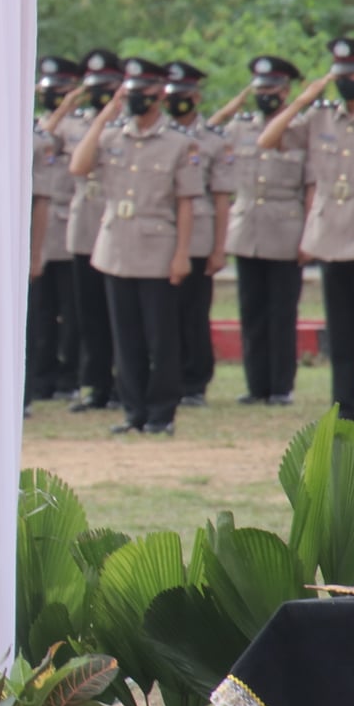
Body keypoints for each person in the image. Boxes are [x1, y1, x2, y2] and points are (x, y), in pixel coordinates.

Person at [261, 38, 354, 429]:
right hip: (331, 237)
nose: (344, 83)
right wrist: (302, 101)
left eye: (351, 75)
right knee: (339, 334)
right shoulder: (320, 117)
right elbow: (268, 140)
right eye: (338, 76)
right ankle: (346, 412)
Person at [69, 58, 203, 437]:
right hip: (115, 246)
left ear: (158, 94)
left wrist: (182, 254)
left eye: (140, 93)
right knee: (125, 337)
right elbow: (79, 167)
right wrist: (103, 117)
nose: (133, 101)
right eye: (128, 94)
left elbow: (186, 202)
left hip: (158, 249)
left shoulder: (180, 143)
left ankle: (162, 413)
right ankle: (134, 412)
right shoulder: (112, 136)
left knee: (160, 338)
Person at [210, 55, 308, 406]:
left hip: (286, 227)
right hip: (247, 225)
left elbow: (311, 184)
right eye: (258, 88)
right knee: (251, 310)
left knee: (282, 311)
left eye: (271, 88)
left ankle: (281, 387)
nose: (264, 94)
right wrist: (234, 103)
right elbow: (207, 130)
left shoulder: (301, 128)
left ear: (285, 91)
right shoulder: (241, 127)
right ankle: (256, 386)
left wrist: (309, 234)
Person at [43, 48, 122, 413]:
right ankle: (96, 385)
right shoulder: (73, 124)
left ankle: (124, 383)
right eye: (94, 85)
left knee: (120, 314)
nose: (100, 91)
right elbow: (40, 138)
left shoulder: (127, 123)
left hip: (117, 225)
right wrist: (68, 103)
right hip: (81, 225)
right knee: (86, 312)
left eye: (107, 84)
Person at [162, 63, 229, 409]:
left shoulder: (213, 141)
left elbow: (221, 197)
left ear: (196, 98)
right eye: (170, 96)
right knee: (164, 315)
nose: (175, 103)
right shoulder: (158, 136)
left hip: (199, 235)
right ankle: (167, 378)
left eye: (183, 97)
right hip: (158, 234)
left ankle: (195, 381)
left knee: (193, 312)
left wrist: (219, 248)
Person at [25, 56, 83, 407]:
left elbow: (45, 140)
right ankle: (44, 378)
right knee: (42, 312)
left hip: (67, 227)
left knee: (70, 310)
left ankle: (68, 377)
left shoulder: (76, 124)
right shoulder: (32, 124)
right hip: (45, 230)